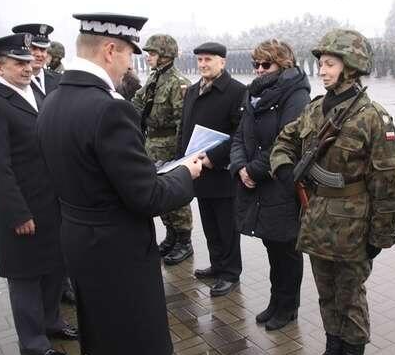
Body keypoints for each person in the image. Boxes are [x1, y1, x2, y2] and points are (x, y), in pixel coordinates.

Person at [37, 13, 202, 355]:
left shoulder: (53, 99)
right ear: (110, 50)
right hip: (118, 253)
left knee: (110, 346)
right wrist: (186, 173)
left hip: (81, 242)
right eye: (129, 54)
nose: (131, 64)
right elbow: (147, 197)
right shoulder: (110, 108)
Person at [271, 29, 395, 355]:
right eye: (321, 64)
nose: (322, 70)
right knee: (326, 293)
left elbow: (389, 183)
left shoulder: (372, 117)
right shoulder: (316, 109)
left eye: (330, 64)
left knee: (350, 295)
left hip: (353, 225)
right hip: (317, 218)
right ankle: (333, 352)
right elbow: (285, 139)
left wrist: (380, 235)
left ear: (351, 66)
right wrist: (284, 168)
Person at [0, 33, 77, 355]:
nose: (27, 68)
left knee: (54, 267)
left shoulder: (37, 92)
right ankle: (32, 342)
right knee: (26, 277)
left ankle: (52, 322)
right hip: (23, 207)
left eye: (28, 62)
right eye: (18, 63)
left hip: (52, 203)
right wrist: (17, 213)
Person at [230, 39, 310, 330]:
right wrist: (240, 167)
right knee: (272, 246)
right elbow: (240, 136)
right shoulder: (253, 93)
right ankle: (276, 301)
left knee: (286, 249)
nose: (259, 70)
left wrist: (253, 170)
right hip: (258, 184)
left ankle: (288, 307)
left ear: (283, 64)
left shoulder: (296, 95)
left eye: (266, 64)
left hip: (280, 182)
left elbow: (285, 142)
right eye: (256, 64)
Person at [178, 42, 245, 297]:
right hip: (198, 170)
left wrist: (214, 157)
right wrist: (181, 159)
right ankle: (217, 265)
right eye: (200, 60)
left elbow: (241, 133)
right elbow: (184, 128)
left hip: (221, 172)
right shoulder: (192, 91)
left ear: (222, 62)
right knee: (209, 224)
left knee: (227, 226)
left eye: (208, 59)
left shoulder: (236, 91)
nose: (203, 64)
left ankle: (230, 273)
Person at [132, 34, 194, 264]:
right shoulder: (154, 78)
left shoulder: (178, 82)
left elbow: (182, 121)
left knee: (176, 194)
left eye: (152, 53)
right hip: (152, 145)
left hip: (170, 147)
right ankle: (171, 235)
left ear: (166, 55)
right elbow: (138, 103)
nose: (148, 57)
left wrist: (180, 154)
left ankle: (184, 241)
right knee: (160, 192)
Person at [12, 24, 61, 101]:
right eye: (34, 48)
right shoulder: (14, 80)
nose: (39, 54)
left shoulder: (59, 80)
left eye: (43, 49)